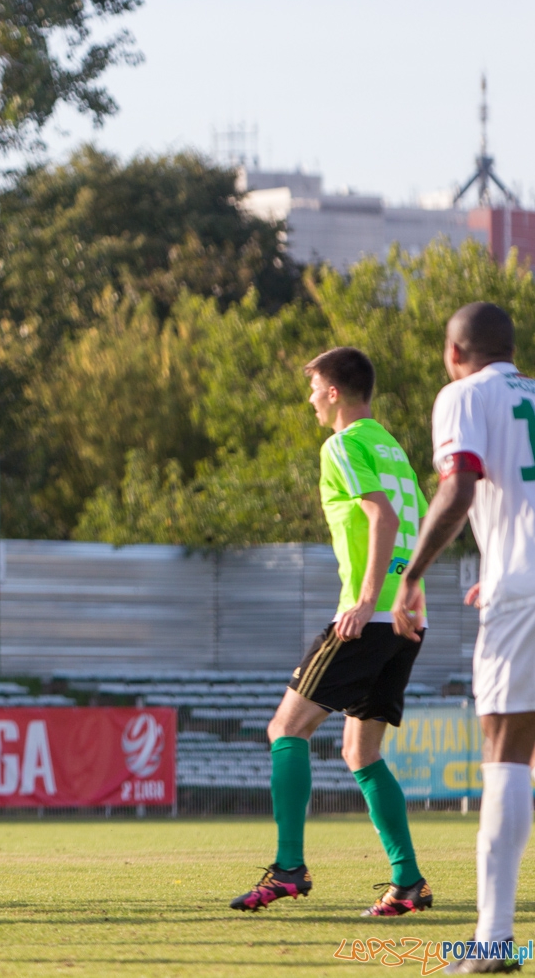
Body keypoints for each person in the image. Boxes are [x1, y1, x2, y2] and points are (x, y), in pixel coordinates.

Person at [228, 347, 431, 917]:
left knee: (284, 728)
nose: (311, 398)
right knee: (360, 751)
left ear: (335, 392)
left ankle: (289, 868)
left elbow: (384, 518)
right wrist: (406, 595)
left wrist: (367, 601)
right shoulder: (391, 447)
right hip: (409, 616)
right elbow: (416, 523)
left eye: (315, 388)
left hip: (371, 615)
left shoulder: (342, 445)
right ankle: (408, 881)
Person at [395, 303, 535, 973]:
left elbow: (459, 486)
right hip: (517, 580)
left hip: (524, 592)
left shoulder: (461, 395)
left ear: (455, 352)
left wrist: (413, 574)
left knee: (507, 748)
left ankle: (493, 939)